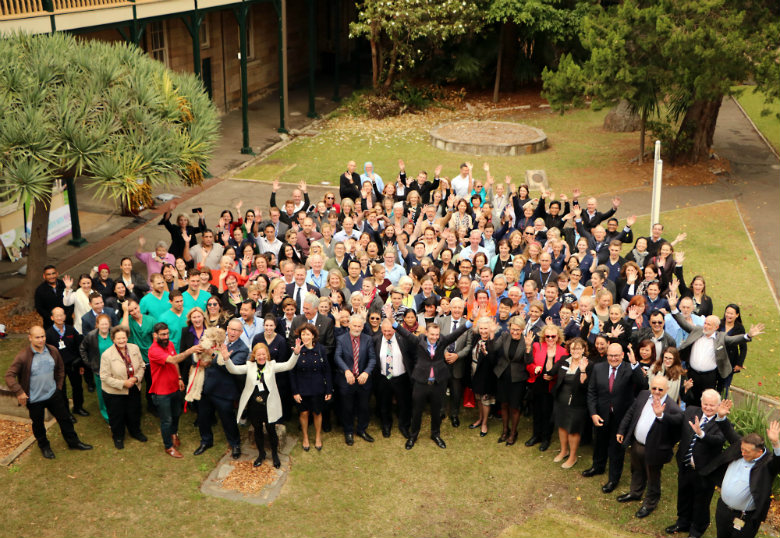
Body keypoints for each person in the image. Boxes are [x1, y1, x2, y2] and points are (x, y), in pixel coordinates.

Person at [389, 302, 471, 450]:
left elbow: (457, 333)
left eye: (437, 335)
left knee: (436, 410)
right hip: (421, 382)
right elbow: (404, 332)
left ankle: (436, 434)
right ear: (426, 333)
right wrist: (392, 321)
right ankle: (413, 436)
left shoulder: (442, 341)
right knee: (417, 411)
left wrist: (471, 321)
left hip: (438, 382)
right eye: (432, 334)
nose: (434, 337)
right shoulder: (419, 340)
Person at [5, 326, 93, 459]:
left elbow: (60, 369)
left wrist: (58, 387)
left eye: (43, 336)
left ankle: (73, 442)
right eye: (37, 337)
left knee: (65, 419)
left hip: (53, 394)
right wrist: (19, 392)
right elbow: (9, 376)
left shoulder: (52, 351)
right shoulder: (23, 356)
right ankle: (44, 446)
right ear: (30, 338)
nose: (41, 340)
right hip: (34, 399)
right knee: (39, 425)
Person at [668, 291, 764, 405]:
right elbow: (682, 322)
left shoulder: (721, 337)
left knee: (706, 402)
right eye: (705, 323)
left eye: (709, 324)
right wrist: (673, 307)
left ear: (716, 327)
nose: (706, 326)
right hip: (692, 374)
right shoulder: (697, 330)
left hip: (709, 377)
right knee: (690, 399)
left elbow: (733, 340)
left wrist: (748, 335)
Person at [615, 375, 683, 518]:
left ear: (667, 389)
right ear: (650, 386)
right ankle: (635, 493)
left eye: (660, 389)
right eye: (654, 388)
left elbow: (677, 428)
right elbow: (631, 412)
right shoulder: (643, 395)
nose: (656, 391)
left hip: (655, 449)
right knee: (636, 469)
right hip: (637, 443)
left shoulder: (672, 407)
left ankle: (650, 504)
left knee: (653, 477)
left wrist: (661, 416)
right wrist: (622, 430)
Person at [225, 339, 300, 467]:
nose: (261, 357)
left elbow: (288, 365)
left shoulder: (272, 365)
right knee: (258, 430)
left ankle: (275, 455)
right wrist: (227, 359)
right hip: (255, 405)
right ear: (254, 355)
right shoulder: (250, 366)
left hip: (269, 405)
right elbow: (234, 370)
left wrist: (296, 354)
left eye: (263, 354)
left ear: (267, 355)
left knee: (271, 430)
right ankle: (261, 454)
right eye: (258, 355)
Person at [584, 343, 647, 493]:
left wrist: (634, 364)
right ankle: (597, 467)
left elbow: (643, 385)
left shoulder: (630, 368)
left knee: (616, 449)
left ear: (622, 355)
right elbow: (591, 392)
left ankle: (613, 479)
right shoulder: (598, 368)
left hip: (621, 417)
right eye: (610, 356)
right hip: (601, 414)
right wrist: (593, 413)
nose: (613, 358)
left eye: (616, 355)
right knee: (599, 443)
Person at [665, 389, 727, 537]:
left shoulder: (722, 423)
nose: (708, 408)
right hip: (686, 465)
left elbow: (719, 440)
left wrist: (701, 434)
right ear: (701, 402)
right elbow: (678, 425)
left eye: (712, 405)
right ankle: (683, 522)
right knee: (684, 494)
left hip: (705, 471)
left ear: (718, 406)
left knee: (701, 502)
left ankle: (696, 530)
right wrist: (662, 415)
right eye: (706, 404)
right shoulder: (691, 411)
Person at [710, 411, 780, 538]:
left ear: (759, 452)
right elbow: (728, 431)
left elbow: (778, 461)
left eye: (746, 451)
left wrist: (776, 443)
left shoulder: (767, 463)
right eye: (741, 449)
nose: (742, 453)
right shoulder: (741, 448)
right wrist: (721, 416)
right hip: (723, 509)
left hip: (744, 517)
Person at [190, 322, 248, 459]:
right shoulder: (217, 340)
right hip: (207, 386)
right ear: (227, 329)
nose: (233, 332)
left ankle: (235, 444)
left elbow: (230, 367)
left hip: (224, 390)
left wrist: (213, 355)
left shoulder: (243, 349)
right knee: (203, 417)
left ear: (241, 332)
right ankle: (206, 441)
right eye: (231, 329)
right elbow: (201, 353)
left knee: (228, 419)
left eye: (237, 330)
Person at [147, 322, 201, 457]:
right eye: (163, 335)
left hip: (175, 387)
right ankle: (168, 446)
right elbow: (172, 359)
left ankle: (173, 434)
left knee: (177, 414)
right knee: (166, 420)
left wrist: (179, 378)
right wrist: (190, 350)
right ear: (155, 335)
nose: (166, 337)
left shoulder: (169, 344)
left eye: (167, 333)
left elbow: (175, 363)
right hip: (162, 392)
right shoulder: (153, 350)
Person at [99, 326, 148, 449]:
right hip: (114, 392)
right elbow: (104, 377)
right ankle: (118, 437)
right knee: (117, 416)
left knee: (134, 412)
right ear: (113, 339)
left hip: (133, 387)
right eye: (118, 338)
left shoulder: (134, 348)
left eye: (124, 337)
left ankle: (135, 432)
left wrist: (136, 378)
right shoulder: (106, 355)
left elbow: (142, 366)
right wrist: (123, 384)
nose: (122, 340)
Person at [548, 337, 592, 469]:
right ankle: (563, 451)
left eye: (579, 348)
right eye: (573, 348)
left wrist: (583, 370)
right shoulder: (564, 361)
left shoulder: (589, 364)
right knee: (561, 425)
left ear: (584, 349)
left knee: (573, 429)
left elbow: (586, 386)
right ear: (569, 349)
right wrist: (550, 358)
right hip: (561, 399)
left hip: (577, 402)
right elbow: (550, 372)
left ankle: (573, 457)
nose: (576, 350)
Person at [334, 314, 378, 445]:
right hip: (347, 380)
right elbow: (337, 357)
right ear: (349, 325)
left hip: (363, 380)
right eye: (354, 325)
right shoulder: (341, 339)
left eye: (359, 326)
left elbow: (372, 358)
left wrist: (366, 373)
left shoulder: (368, 339)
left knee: (364, 407)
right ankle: (348, 432)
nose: (357, 328)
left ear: (363, 326)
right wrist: (346, 370)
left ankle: (361, 429)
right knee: (347, 407)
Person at [290, 323, 333, 451]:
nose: (305, 337)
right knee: (304, 413)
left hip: (317, 388)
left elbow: (327, 370)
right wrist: (295, 392)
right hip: (302, 388)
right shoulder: (297, 350)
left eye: (308, 334)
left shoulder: (320, 349)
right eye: (303, 334)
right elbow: (291, 372)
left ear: (313, 335)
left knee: (317, 412)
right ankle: (305, 437)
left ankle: (318, 437)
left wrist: (329, 389)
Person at [524, 324, 566, 451]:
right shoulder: (537, 346)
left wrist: (554, 377)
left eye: (553, 336)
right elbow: (528, 363)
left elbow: (564, 370)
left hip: (552, 386)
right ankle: (536, 435)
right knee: (537, 411)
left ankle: (546, 438)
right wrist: (534, 369)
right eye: (547, 336)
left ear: (558, 336)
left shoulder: (563, 351)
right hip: (538, 383)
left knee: (548, 412)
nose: (550, 339)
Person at [373, 319, 413, 439]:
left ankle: (404, 426)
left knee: (403, 403)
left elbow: (412, 356)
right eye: (384, 331)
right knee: (384, 403)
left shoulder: (404, 340)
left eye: (389, 331)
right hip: (383, 378)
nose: (387, 333)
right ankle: (386, 425)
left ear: (394, 329)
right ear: (381, 330)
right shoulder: (376, 340)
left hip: (401, 378)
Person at [45, 307, 87, 419]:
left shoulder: (71, 330)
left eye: (61, 315)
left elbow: (79, 347)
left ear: (65, 316)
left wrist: (81, 364)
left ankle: (78, 407)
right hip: (58, 368)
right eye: (56, 315)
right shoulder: (48, 334)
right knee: (61, 391)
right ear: (52, 317)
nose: (59, 317)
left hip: (73, 365)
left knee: (78, 387)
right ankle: (67, 413)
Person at [493, 317, 529, 446]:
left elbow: (528, 361)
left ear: (522, 329)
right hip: (502, 376)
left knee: (514, 407)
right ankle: (505, 430)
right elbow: (493, 348)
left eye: (518, 330)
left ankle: (513, 433)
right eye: (513, 329)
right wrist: (492, 335)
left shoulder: (526, 341)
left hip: (518, 380)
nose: (515, 332)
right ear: (509, 328)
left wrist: (529, 347)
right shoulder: (504, 336)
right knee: (504, 404)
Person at [437, 297, 472, 428]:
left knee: (456, 392)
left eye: (459, 307)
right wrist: (445, 352)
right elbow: (437, 340)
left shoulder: (467, 324)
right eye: (455, 307)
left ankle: (454, 414)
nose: (457, 310)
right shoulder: (441, 321)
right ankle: (440, 411)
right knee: (440, 388)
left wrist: (457, 355)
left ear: (463, 309)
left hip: (458, 363)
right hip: (443, 361)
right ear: (450, 308)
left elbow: (468, 346)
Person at [465, 317, 498, 437]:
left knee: (485, 400)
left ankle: (484, 423)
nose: (483, 331)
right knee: (478, 397)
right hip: (475, 372)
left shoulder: (493, 340)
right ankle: (479, 419)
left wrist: (487, 352)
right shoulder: (476, 338)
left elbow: (494, 360)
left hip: (487, 375)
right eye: (481, 328)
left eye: (486, 328)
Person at [78, 314, 113, 422]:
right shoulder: (91, 336)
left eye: (106, 323)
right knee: (102, 393)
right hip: (99, 369)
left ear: (109, 324)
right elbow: (82, 348)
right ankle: (106, 415)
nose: (104, 326)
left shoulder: (114, 333)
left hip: (114, 368)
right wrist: (89, 363)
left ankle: (117, 412)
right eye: (102, 324)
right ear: (97, 324)